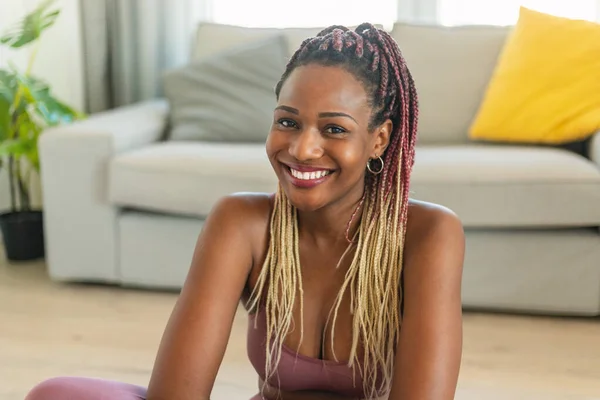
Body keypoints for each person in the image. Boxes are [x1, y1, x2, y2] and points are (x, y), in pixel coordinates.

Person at [25, 23, 464, 400]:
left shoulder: (427, 234)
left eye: (334, 129)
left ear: (379, 140)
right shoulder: (243, 224)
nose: (302, 149)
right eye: (288, 122)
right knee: (57, 395)